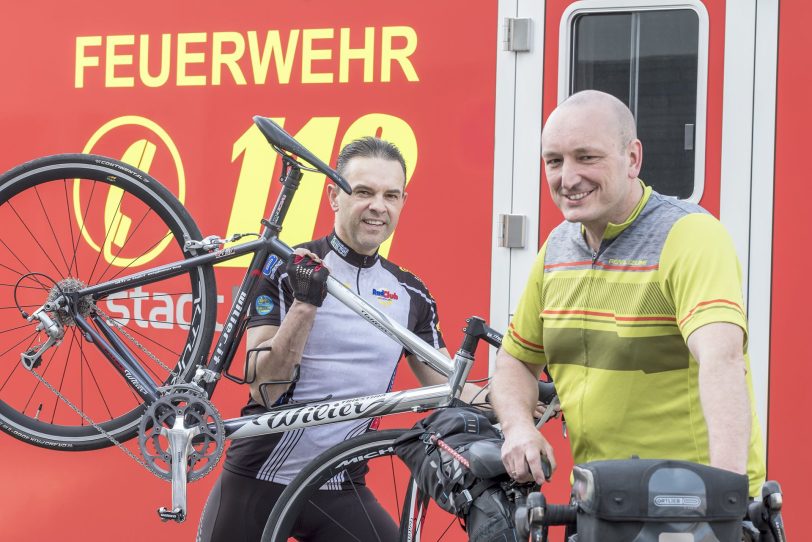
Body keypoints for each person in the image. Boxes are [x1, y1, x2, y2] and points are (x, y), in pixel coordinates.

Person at [197, 136, 482, 541]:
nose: (377, 206)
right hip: (259, 478)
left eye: (390, 195)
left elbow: (450, 388)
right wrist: (304, 306)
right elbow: (262, 387)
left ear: (403, 201)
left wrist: (526, 399)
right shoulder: (288, 266)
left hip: (339, 485)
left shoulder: (411, 294)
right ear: (334, 196)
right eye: (363, 192)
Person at [490, 90, 766, 498]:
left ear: (633, 158)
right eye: (554, 161)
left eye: (586, 157)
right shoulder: (557, 249)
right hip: (601, 502)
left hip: (688, 502)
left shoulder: (688, 235)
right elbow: (515, 360)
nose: (568, 178)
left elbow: (721, 362)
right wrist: (517, 428)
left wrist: (724, 499)